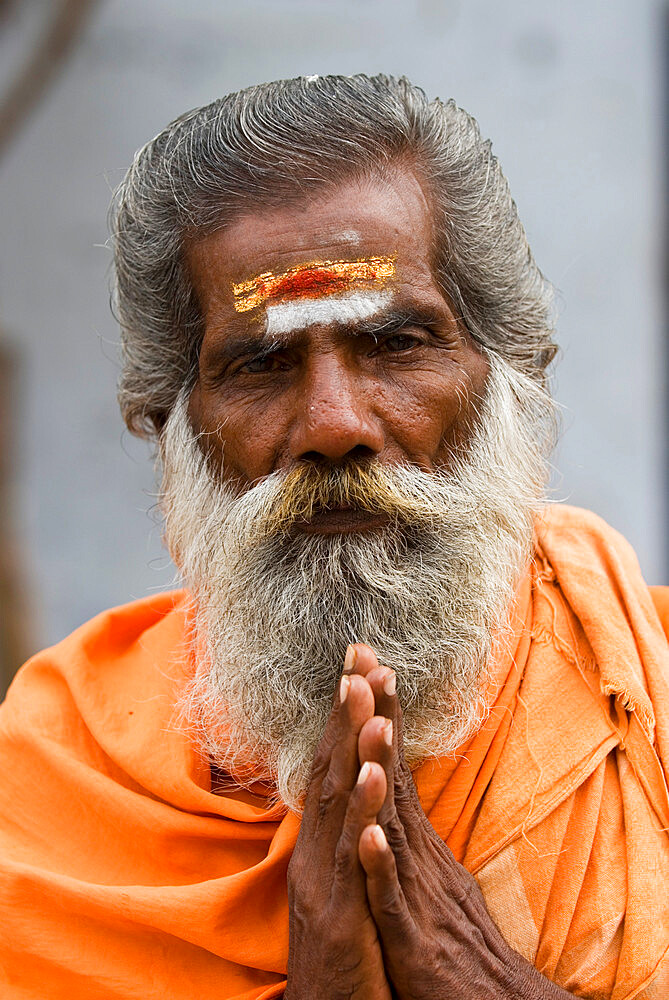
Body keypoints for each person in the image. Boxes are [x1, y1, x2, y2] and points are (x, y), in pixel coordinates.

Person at [0, 73, 667, 1000]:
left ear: (511, 378)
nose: (332, 422)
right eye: (263, 363)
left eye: (397, 345)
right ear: (171, 425)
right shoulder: (58, 781)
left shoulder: (648, 697)